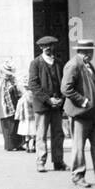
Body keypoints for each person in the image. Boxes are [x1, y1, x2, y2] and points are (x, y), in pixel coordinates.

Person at [62, 40, 95, 188]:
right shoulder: (73, 65)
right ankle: (78, 176)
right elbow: (66, 88)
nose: (92, 54)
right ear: (85, 52)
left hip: (94, 113)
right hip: (81, 113)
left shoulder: (87, 65)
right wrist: (82, 101)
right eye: (90, 51)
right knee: (79, 146)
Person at [27, 35, 67, 172]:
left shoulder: (59, 63)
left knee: (58, 134)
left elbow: (63, 83)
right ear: (41, 47)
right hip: (42, 106)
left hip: (56, 106)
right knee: (41, 134)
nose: (49, 48)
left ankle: (58, 161)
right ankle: (40, 162)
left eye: (51, 45)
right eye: (46, 46)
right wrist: (48, 100)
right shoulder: (36, 63)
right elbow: (33, 84)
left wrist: (61, 98)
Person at [0, 60, 24, 151]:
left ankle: (18, 144)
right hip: (6, 107)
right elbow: (0, 96)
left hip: (14, 105)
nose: (8, 75)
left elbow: (17, 91)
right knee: (9, 127)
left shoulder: (11, 80)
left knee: (16, 125)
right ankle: (10, 145)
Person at [16, 86, 37, 153]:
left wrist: (17, 116)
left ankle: (27, 147)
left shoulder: (23, 98)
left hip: (25, 118)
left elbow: (19, 108)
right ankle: (34, 146)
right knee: (34, 134)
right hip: (34, 117)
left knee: (27, 134)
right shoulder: (34, 96)